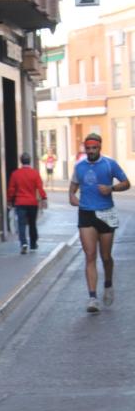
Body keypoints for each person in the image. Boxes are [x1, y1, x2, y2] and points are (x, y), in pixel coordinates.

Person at [69, 132, 130, 314]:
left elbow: (127, 183)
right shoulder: (79, 167)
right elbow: (73, 188)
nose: (91, 151)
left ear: (100, 147)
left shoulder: (109, 164)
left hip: (106, 212)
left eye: (94, 148)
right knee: (90, 256)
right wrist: (72, 197)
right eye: (88, 148)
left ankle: (108, 283)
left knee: (106, 256)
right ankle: (93, 298)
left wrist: (111, 188)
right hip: (86, 213)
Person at [7, 152, 47, 254]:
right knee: (32, 224)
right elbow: (40, 187)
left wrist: (9, 200)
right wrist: (44, 198)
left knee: (21, 224)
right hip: (32, 203)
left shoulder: (15, 174)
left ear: (21, 161)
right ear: (30, 161)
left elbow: (11, 189)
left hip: (20, 202)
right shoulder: (35, 173)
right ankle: (33, 244)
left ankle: (23, 243)